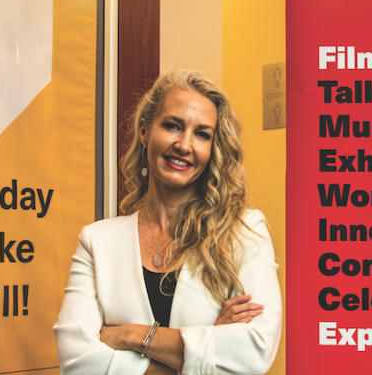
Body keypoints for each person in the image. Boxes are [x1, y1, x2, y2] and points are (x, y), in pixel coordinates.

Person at [54, 70, 282, 375]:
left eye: (202, 134)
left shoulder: (245, 231)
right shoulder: (97, 241)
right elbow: (76, 362)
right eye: (173, 126)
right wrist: (206, 349)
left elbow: (255, 352)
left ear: (214, 148)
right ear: (145, 131)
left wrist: (131, 336)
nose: (184, 145)